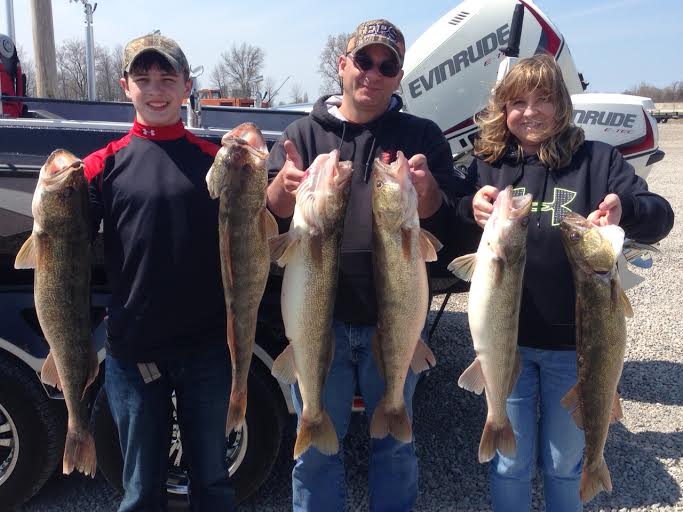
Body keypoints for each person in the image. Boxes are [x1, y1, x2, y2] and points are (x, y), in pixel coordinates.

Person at [455, 53, 674, 511]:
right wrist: (466, 207)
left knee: (563, 461)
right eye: (518, 102)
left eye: (543, 99)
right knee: (510, 463)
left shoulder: (595, 160)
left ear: (562, 105)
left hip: (574, 350)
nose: (530, 112)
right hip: (504, 345)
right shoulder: (486, 161)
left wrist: (625, 210)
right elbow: (446, 218)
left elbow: (660, 217)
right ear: (502, 108)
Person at [266, 18, 465, 512]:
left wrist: (430, 194)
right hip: (320, 325)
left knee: (395, 448)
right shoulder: (301, 133)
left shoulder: (421, 135)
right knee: (314, 454)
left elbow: (456, 225)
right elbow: (265, 220)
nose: (373, 74)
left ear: (398, 77)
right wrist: (279, 190)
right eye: (364, 61)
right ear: (342, 66)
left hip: (393, 323)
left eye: (387, 65)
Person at [84, 34, 236, 512]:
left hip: (208, 349)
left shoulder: (217, 163)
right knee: (141, 490)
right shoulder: (100, 166)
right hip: (133, 354)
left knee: (211, 481)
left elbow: (265, 217)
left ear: (188, 86)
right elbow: (59, 245)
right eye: (143, 79)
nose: (156, 89)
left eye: (167, 78)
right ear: (125, 85)